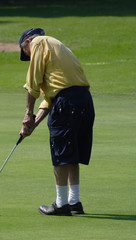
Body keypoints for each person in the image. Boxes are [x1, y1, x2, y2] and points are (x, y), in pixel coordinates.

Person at [18, 28, 95, 216]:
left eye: (25, 54)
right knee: (72, 154)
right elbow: (50, 99)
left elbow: (33, 83)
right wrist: (34, 123)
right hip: (84, 101)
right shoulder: (57, 49)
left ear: (27, 42)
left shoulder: (38, 43)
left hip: (67, 103)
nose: (29, 58)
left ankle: (61, 205)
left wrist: (28, 114)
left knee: (61, 155)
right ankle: (74, 202)